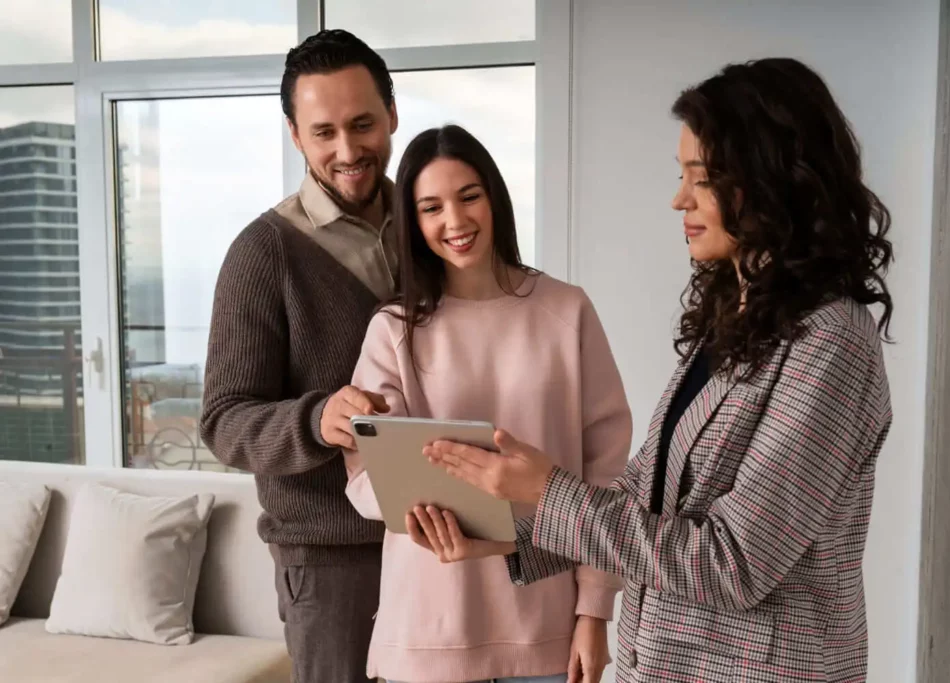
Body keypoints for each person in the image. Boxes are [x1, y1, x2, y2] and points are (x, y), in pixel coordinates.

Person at [413, 58, 895, 683]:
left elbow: (734, 561)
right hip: (661, 663)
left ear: (772, 179)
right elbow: (646, 494)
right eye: (681, 175)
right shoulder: (735, 317)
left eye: (704, 177)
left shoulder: (832, 340)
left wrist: (546, 491)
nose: (679, 199)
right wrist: (513, 533)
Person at [341, 124, 632, 683]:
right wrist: (415, 511)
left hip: (545, 631)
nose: (454, 221)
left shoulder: (567, 312)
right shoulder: (393, 330)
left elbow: (608, 475)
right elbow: (363, 473)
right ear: (414, 222)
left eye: (469, 196)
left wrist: (594, 612)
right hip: (428, 630)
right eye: (431, 207)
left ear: (495, 197)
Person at [199, 29, 402, 683]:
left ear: (393, 115)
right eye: (324, 132)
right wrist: (317, 420)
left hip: (443, 541)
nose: (348, 150)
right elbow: (224, 421)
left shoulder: (434, 229)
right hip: (329, 558)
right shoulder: (264, 253)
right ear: (295, 135)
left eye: (363, 124)